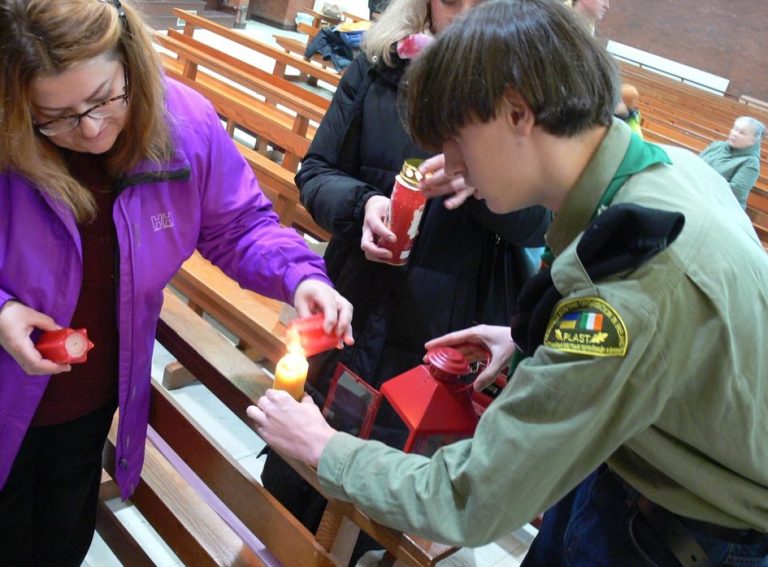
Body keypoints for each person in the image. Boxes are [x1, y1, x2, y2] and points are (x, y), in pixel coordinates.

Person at [248, 1, 768, 565]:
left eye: (456, 139)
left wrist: (325, 448)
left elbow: (471, 499)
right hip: (631, 475)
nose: (445, 162)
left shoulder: (629, 290)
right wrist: (529, 340)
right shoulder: (666, 169)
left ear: (517, 114)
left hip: (686, 531)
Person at [0, 1, 353, 565]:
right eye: (57, 116)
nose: (90, 129)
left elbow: (237, 223)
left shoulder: (183, 124)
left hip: (84, 400)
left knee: (59, 540)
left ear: (129, 62)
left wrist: (298, 276)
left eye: (102, 99)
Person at [262, 0, 550, 544]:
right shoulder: (378, 66)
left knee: (382, 508)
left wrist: (486, 184)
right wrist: (361, 206)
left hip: (441, 333)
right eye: (450, 1)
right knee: (294, 476)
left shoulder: (527, 94)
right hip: (352, 303)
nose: (465, 12)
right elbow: (317, 172)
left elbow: (540, 224)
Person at [699, 116, 764, 209]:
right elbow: (694, 164)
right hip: (697, 194)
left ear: (753, 140)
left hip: (717, 207)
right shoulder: (717, 145)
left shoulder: (750, 163)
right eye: (735, 129)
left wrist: (698, 182)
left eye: (742, 133)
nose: (735, 134)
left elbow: (732, 193)